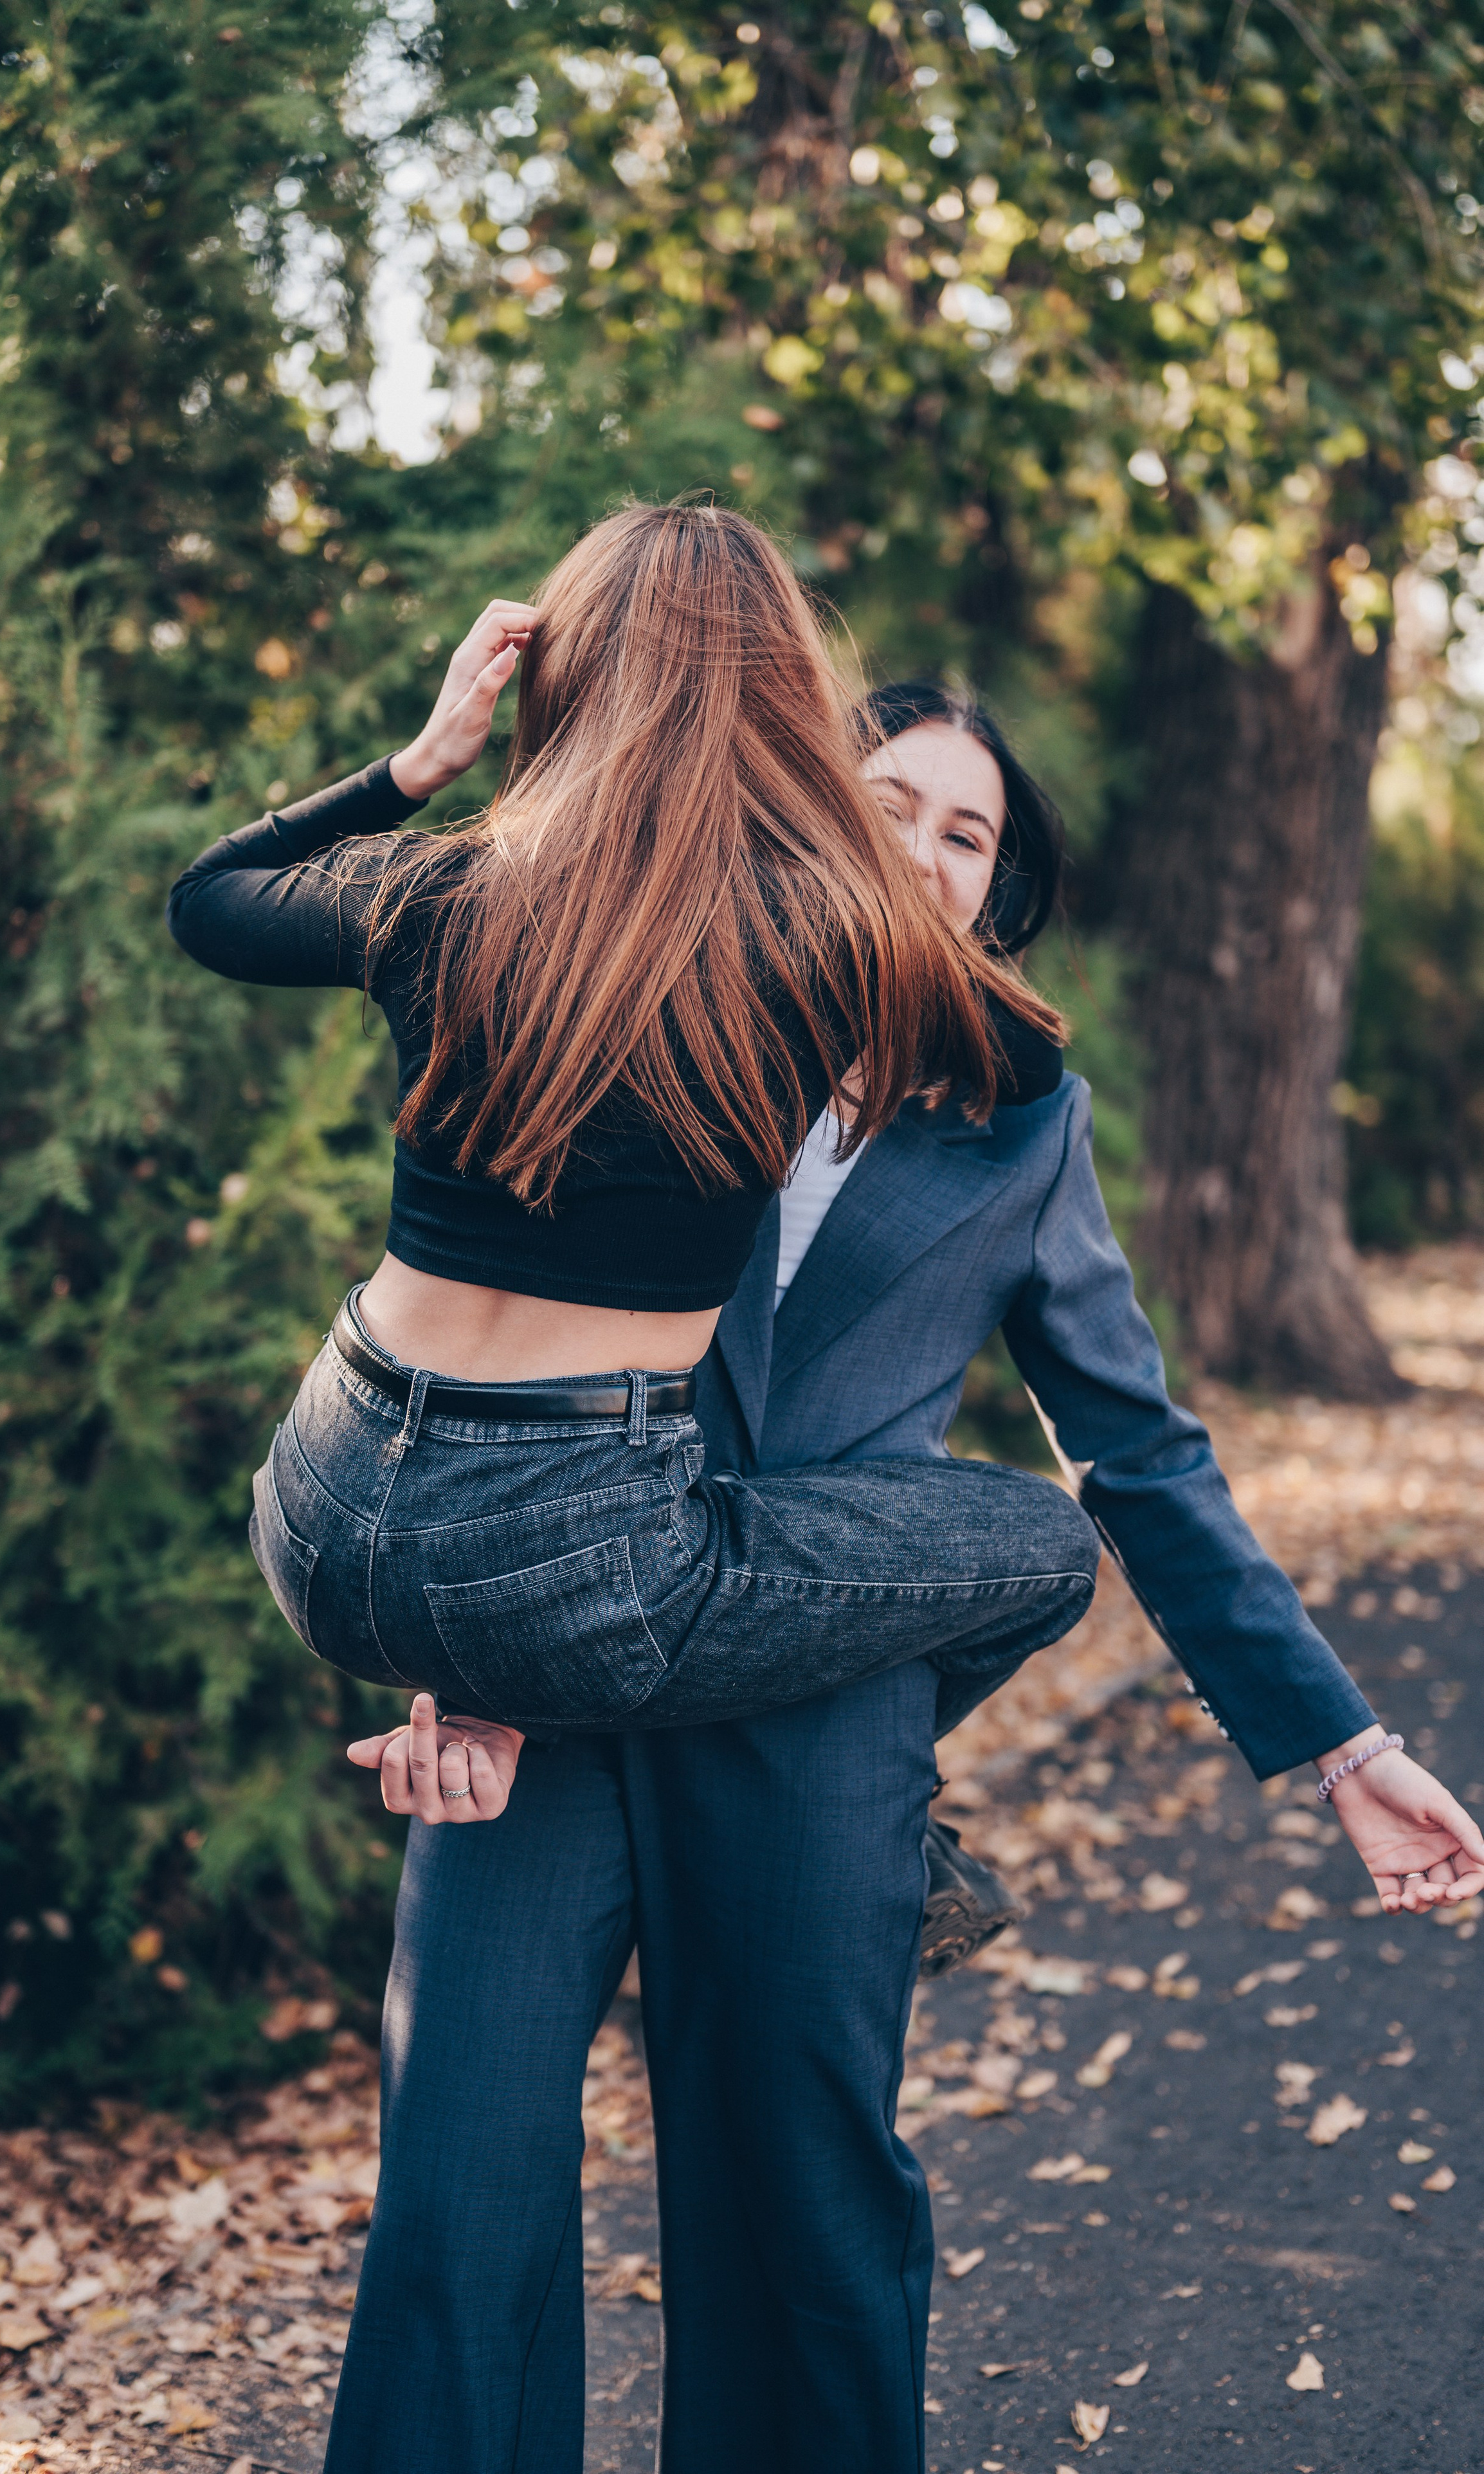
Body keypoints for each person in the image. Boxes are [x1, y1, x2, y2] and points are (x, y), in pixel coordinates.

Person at [306, 670, 1484, 2474]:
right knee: (456, 2201)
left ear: (993, 895)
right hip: (549, 1687)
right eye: (888, 803)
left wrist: (1339, 1745)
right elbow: (465, 1360)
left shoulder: (1023, 1122)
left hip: (815, 1719)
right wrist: (446, 1668)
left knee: (806, 2224)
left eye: (970, 833)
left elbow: (1139, 1457)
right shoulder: (631, 1017)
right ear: (796, 815)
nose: (925, 852)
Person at [168, 501, 1105, 1770]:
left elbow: (208, 901)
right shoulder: (838, 934)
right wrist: (846, 833)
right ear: (784, 704)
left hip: (318, 1512)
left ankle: (507, 1693)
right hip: (568, 1559)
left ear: (559, 678)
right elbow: (1024, 1055)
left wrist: (419, 764)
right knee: (1041, 1543)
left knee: (538, 1578)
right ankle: (859, 1798)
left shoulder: (437, 889)